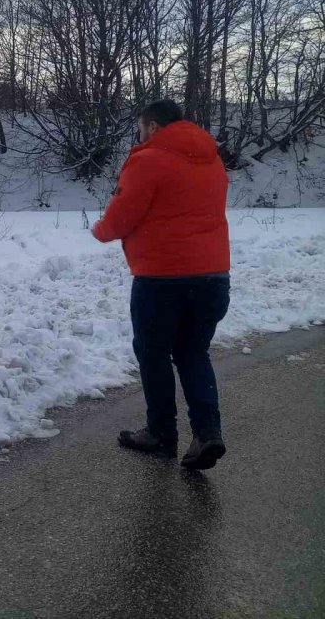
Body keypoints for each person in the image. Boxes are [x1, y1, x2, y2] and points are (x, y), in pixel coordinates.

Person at [92, 99, 230, 471]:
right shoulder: (212, 160)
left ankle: (161, 433)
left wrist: (99, 230)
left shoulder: (148, 159)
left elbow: (121, 217)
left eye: (141, 127)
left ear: (152, 126)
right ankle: (207, 432)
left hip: (162, 279)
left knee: (153, 353)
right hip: (214, 276)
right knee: (193, 352)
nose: (139, 134)